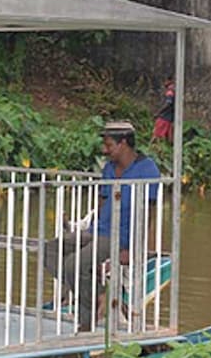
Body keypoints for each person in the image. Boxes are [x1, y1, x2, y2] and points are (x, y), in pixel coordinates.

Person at [44, 121, 161, 331]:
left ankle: (86, 322)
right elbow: (102, 201)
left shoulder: (147, 169)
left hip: (119, 236)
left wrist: (134, 248)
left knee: (74, 265)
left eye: (109, 145)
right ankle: (98, 293)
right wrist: (87, 228)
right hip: (98, 231)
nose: (104, 150)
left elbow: (147, 213)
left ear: (123, 143)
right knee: (51, 249)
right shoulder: (109, 168)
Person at [152, 78, 175, 142]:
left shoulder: (169, 93)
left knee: (156, 134)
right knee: (169, 136)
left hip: (164, 117)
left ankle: (151, 147)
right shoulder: (172, 93)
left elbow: (168, 104)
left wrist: (158, 112)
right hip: (169, 118)